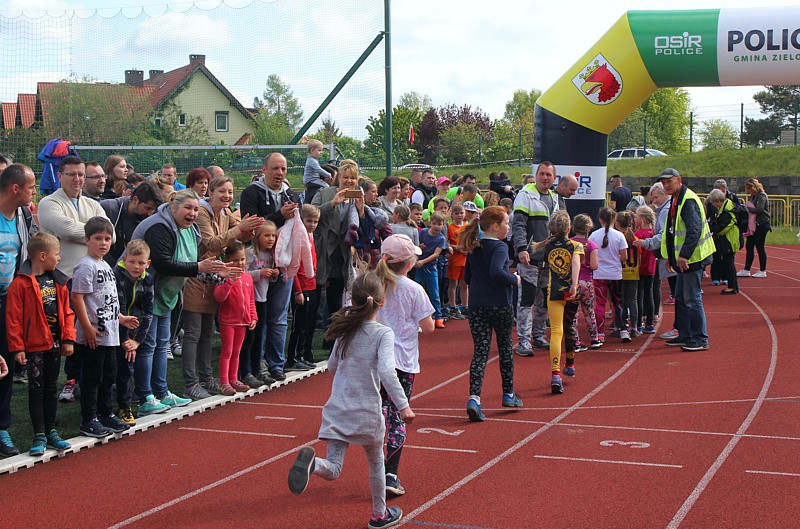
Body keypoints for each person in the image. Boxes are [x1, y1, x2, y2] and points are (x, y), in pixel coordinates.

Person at [288, 273, 413, 529]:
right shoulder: (383, 334)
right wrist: (403, 406)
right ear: (381, 303)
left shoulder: (345, 329)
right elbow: (389, 373)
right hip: (366, 411)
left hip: (337, 408)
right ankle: (379, 514)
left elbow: (332, 366)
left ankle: (314, 465)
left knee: (333, 468)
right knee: (377, 461)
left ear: (353, 300)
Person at [130, 190, 235, 414]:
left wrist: (217, 274)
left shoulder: (191, 230)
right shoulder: (158, 227)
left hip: (167, 296)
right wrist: (200, 267)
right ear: (173, 206)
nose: (193, 213)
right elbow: (164, 263)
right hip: (145, 295)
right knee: (148, 346)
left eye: (196, 209)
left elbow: (193, 266)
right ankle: (145, 395)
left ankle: (161, 391)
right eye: (188, 208)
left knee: (161, 345)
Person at [182, 176, 261, 400]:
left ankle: (207, 378)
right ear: (211, 193)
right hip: (196, 277)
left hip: (214, 277)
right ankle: (191, 382)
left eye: (230, 192)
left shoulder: (226, 214)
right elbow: (212, 243)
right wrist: (241, 229)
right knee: (193, 334)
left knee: (207, 334)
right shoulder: (203, 213)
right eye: (221, 192)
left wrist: (251, 227)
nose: (226, 196)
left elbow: (242, 237)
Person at [374, 234, 434, 496]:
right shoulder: (413, 289)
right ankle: (390, 473)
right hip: (403, 361)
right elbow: (428, 327)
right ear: (408, 263)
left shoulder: (371, 284)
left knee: (378, 413)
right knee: (397, 415)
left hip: (374, 360)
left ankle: (374, 467)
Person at [6, 232, 75, 455]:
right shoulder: (20, 284)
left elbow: (67, 312)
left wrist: (68, 338)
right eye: (57, 254)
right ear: (43, 256)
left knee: (51, 388)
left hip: (54, 346)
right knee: (36, 391)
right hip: (34, 347)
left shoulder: (59, 280)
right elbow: (13, 319)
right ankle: (39, 434)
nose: (59, 258)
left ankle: (52, 431)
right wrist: (17, 348)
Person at [459, 206, 522, 420]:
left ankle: (474, 398)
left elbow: (467, 278)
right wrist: (514, 279)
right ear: (495, 226)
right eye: (506, 223)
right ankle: (508, 393)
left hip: (476, 306)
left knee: (480, 352)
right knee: (505, 348)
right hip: (499, 304)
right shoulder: (500, 247)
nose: (508, 226)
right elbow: (496, 271)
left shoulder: (474, 246)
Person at [71, 216, 133, 437]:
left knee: (109, 376)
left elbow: (108, 299)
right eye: (98, 238)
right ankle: (89, 418)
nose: (103, 243)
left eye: (107, 239)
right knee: (92, 378)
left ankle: (106, 413)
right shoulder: (85, 266)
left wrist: (121, 318)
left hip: (110, 333)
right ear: (87, 240)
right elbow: (78, 297)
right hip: (94, 334)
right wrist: (86, 327)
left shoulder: (106, 264)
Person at [0, 163, 37, 456]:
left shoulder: (24, 215)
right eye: (30, 187)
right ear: (15, 189)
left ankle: (2, 428)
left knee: (6, 367)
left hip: (8, 303)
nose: (33, 192)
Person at [657, 168, 714, 352]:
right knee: (681, 298)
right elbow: (671, 232)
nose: (666, 185)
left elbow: (694, 230)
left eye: (669, 182)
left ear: (679, 180)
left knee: (692, 298)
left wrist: (683, 256)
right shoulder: (676, 199)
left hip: (692, 259)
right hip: (682, 259)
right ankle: (685, 334)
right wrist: (669, 257)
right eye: (664, 183)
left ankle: (700, 337)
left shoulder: (687, 200)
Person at [311, 159, 362, 348]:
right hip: (323, 251)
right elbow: (309, 213)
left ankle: (332, 339)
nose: (349, 181)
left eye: (353, 178)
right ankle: (309, 343)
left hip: (342, 255)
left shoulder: (356, 198)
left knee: (336, 301)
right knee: (315, 301)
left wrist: (362, 208)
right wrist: (332, 203)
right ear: (338, 178)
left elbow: (360, 228)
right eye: (346, 177)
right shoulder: (324, 192)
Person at [512, 162, 560, 356]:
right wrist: (522, 249)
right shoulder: (525, 196)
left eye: (549, 174)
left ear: (554, 178)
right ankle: (524, 340)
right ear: (536, 175)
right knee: (527, 299)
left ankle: (539, 336)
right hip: (530, 259)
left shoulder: (556, 199)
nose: (545, 177)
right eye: (542, 174)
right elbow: (519, 226)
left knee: (545, 301)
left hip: (550, 260)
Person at [38, 155, 113, 278]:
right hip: (61, 278)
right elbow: (69, 231)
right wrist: (97, 236)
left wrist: (79, 236)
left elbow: (112, 235)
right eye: (71, 174)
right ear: (60, 176)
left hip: (92, 278)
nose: (77, 179)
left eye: (81, 175)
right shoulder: (48, 203)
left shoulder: (93, 204)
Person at [534, 211, 582, 394]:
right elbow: (576, 263)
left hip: (553, 292)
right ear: (569, 228)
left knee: (556, 332)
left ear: (551, 228)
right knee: (569, 326)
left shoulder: (546, 246)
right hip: (571, 291)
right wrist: (575, 285)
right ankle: (569, 364)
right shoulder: (575, 245)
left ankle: (555, 374)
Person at [113, 240, 154, 427]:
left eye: (140, 262)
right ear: (124, 259)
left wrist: (136, 341)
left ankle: (125, 406)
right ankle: (105, 409)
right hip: (115, 331)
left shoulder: (148, 279)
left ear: (148, 263)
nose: (136, 267)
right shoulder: (117, 277)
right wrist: (124, 340)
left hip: (134, 334)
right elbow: (118, 308)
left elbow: (148, 312)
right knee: (112, 371)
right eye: (132, 262)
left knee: (126, 369)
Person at [634, 183, 678, 339]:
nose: (654, 202)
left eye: (656, 198)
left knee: (641, 294)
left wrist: (645, 243)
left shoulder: (665, 212)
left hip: (646, 266)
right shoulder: (658, 218)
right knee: (653, 292)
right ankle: (651, 320)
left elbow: (663, 235)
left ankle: (638, 323)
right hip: (655, 264)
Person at [214, 241, 258, 395]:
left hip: (243, 322)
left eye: (242, 259)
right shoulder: (224, 277)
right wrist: (229, 282)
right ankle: (224, 382)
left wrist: (253, 316)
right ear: (228, 260)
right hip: (228, 321)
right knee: (227, 351)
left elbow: (251, 299)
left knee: (237, 351)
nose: (240, 263)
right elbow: (219, 297)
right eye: (236, 260)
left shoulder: (248, 278)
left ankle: (234, 379)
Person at [240, 221, 279, 386]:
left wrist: (274, 274)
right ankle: (245, 371)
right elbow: (242, 273)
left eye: (273, 236)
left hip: (262, 300)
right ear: (257, 237)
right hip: (249, 300)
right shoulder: (250, 253)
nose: (271, 239)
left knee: (258, 337)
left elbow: (270, 278)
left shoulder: (271, 256)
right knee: (248, 338)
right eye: (267, 235)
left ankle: (257, 370)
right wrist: (259, 273)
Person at [285, 205, 321, 371]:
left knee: (307, 323)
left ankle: (301, 354)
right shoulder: (298, 238)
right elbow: (294, 266)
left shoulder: (310, 237)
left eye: (315, 221)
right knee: (298, 325)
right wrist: (298, 290)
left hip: (311, 284)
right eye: (309, 221)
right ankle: (292, 358)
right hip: (302, 286)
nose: (312, 224)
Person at [589, 207, 627, 347]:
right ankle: (623, 329)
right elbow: (624, 257)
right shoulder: (619, 236)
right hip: (615, 274)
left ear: (600, 220)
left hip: (599, 274)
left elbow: (589, 255)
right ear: (614, 220)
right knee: (618, 303)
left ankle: (600, 333)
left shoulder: (593, 236)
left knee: (599, 304)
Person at [100, 182, 162, 267]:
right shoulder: (108, 208)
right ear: (135, 200)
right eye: (147, 208)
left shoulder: (148, 219)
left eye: (153, 210)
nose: (150, 214)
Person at [570, 214, 600, 350]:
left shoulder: (569, 243)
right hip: (587, 282)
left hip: (573, 282)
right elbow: (594, 266)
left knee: (573, 314)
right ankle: (594, 338)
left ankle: (575, 341)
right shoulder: (591, 245)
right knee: (589, 311)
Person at [416, 211, 448, 328]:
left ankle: (438, 316)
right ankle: (416, 316)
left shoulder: (441, 238)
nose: (436, 226)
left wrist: (423, 262)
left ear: (443, 225)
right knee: (415, 290)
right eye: (434, 223)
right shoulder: (423, 232)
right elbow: (416, 244)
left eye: (439, 224)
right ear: (430, 223)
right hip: (418, 266)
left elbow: (436, 254)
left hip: (430, 267)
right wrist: (419, 248)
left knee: (434, 293)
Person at [707, 189, 741, 295]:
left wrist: (712, 227)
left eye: (713, 202)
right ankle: (732, 285)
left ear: (716, 201)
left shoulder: (728, 210)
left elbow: (722, 228)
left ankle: (733, 286)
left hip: (730, 240)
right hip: (730, 239)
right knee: (728, 261)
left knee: (729, 262)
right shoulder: (726, 207)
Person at [737, 178, 770, 278]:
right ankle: (747, 269)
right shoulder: (753, 196)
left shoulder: (762, 195)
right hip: (753, 225)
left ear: (753, 187)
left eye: (748, 188)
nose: (747, 191)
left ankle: (762, 270)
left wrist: (746, 208)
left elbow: (760, 209)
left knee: (760, 247)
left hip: (762, 224)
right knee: (749, 246)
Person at [616, 211, 640, 341]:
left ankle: (622, 325)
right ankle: (635, 327)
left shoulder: (618, 237)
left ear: (617, 224)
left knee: (621, 301)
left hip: (620, 272)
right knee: (633, 300)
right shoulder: (634, 238)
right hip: (633, 273)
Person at [634, 206, 657, 334]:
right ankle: (649, 323)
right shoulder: (653, 233)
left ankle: (638, 323)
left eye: (637, 217)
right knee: (649, 295)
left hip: (640, 269)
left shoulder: (638, 235)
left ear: (642, 219)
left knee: (639, 296)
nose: (635, 220)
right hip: (651, 268)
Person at [445, 203, 468, 320]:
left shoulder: (467, 226)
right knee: (453, 283)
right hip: (454, 260)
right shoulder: (450, 228)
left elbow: (471, 241)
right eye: (457, 213)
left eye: (461, 213)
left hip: (465, 259)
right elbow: (447, 243)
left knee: (465, 284)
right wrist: (456, 247)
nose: (459, 215)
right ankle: (453, 306)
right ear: (452, 214)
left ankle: (465, 306)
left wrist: (467, 249)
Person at [303, 139, 331, 205]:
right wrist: (328, 175)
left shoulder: (312, 160)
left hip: (313, 179)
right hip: (311, 180)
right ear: (312, 150)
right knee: (326, 186)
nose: (321, 152)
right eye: (319, 150)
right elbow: (319, 170)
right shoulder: (311, 161)